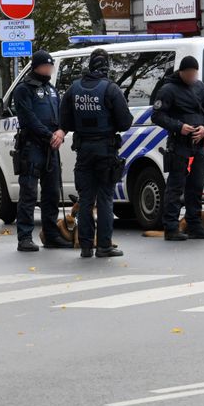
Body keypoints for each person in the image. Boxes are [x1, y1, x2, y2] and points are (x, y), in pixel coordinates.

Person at [60, 47, 134, 258]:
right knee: (104, 198)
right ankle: (104, 245)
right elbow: (125, 122)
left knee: (85, 199)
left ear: (89, 65)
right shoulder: (111, 89)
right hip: (105, 150)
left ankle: (85, 246)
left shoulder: (73, 89)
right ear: (107, 66)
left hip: (83, 150)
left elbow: (64, 121)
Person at [12, 49, 72, 252]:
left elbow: (62, 114)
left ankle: (51, 234)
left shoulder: (52, 89)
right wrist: (49, 135)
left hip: (51, 147)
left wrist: (62, 131)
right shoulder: (23, 89)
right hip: (32, 147)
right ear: (37, 67)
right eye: (46, 66)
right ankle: (25, 237)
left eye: (50, 66)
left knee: (52, 193)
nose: (49, 69)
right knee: (28, 192)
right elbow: (28, 119)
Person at [152, 56, 204, 241]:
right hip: (179, 145)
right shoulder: (168, 89)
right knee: (175, 187)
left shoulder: (201, 87)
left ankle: (195, 226)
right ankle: (171, 227)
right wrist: (179, 126)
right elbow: (157, 116)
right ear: (181, 72)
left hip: (198, 145)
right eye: (189, 73)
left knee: (196, 186)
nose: (192, 77)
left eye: (194, 73)